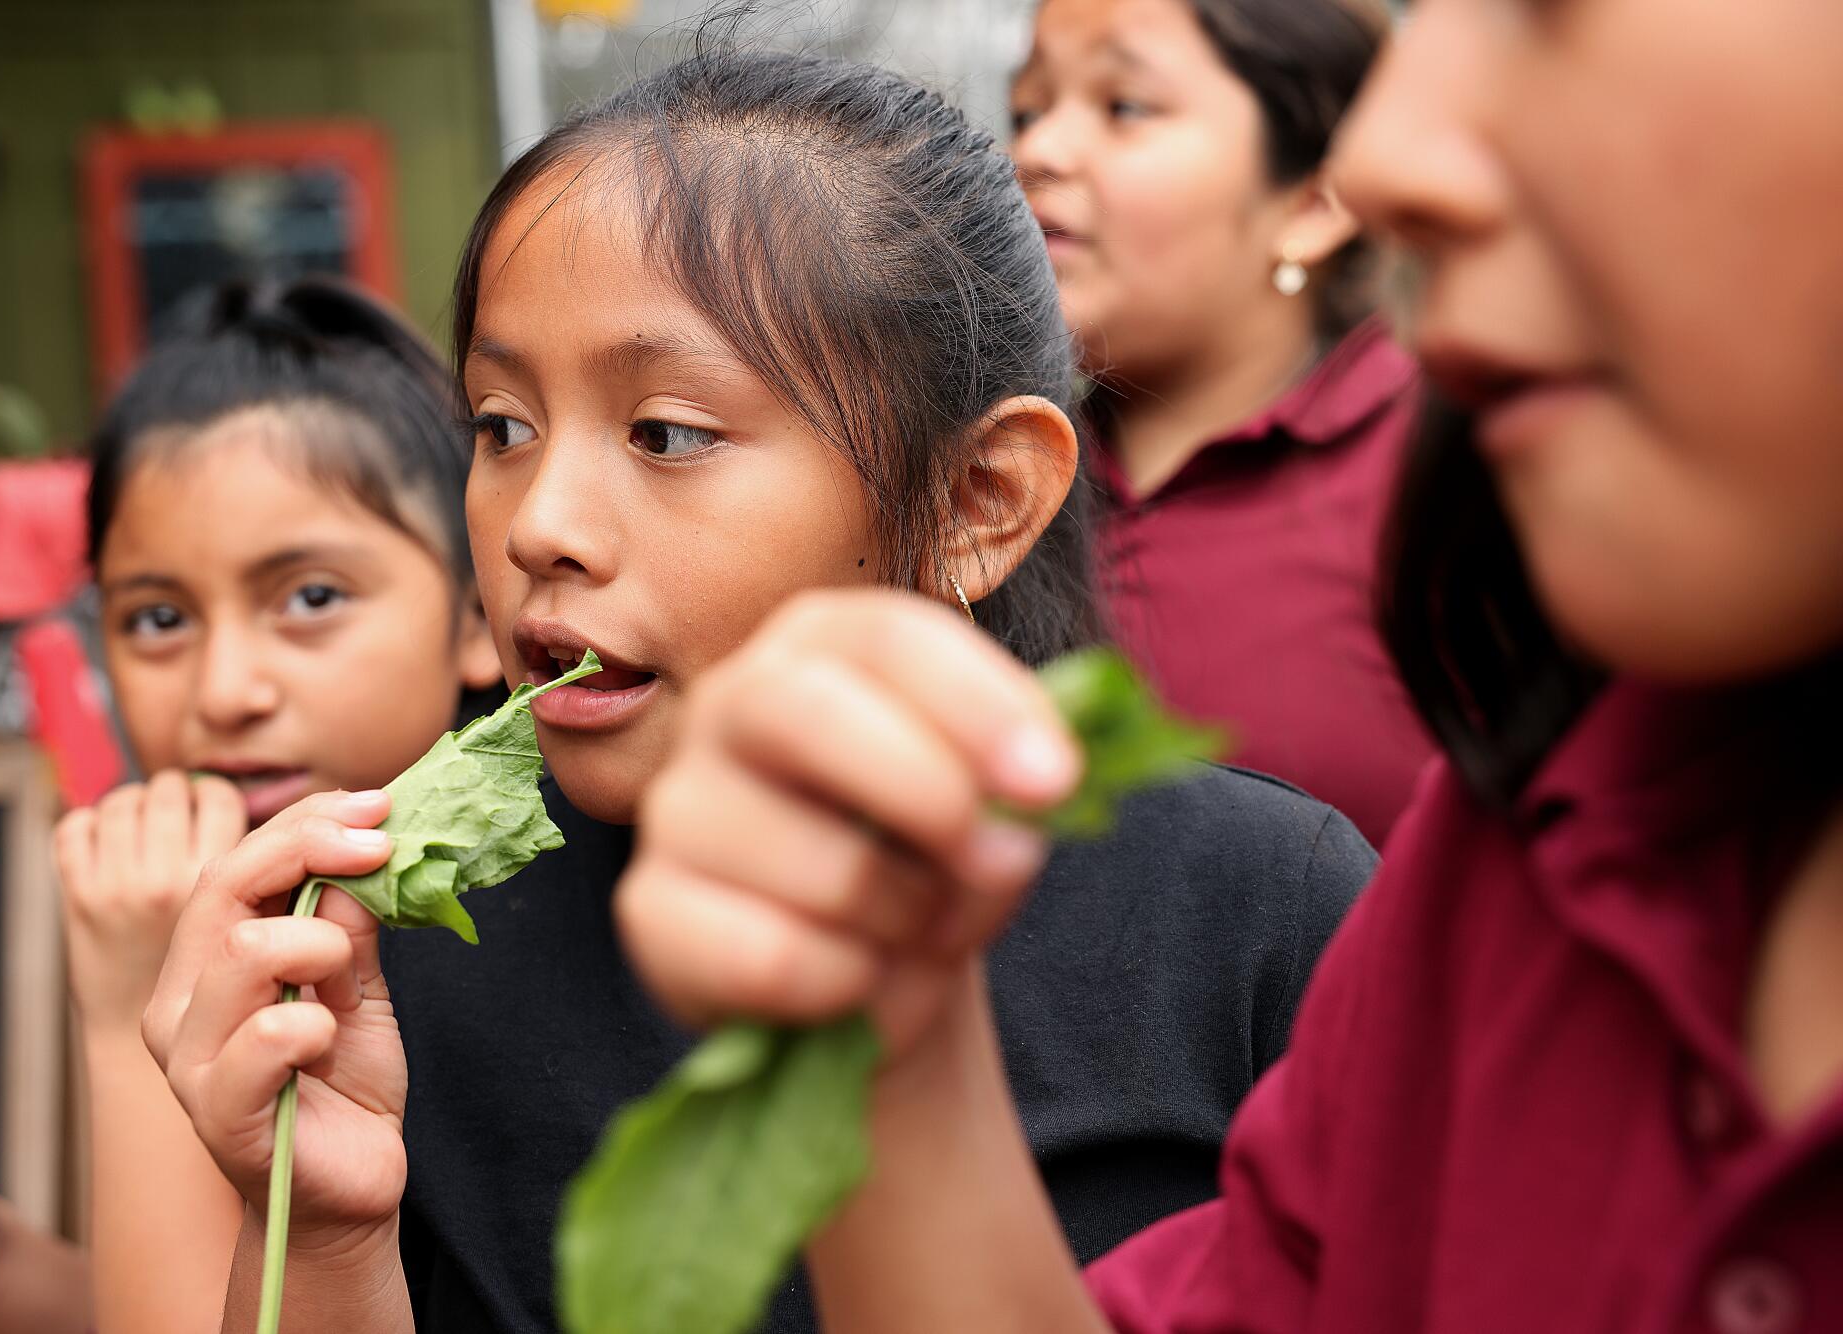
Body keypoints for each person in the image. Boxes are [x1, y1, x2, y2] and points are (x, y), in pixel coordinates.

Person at [608, 0, 1843, 1329]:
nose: (1388, 154)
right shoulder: (1514, 862)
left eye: (1540, 6)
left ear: (993, 499)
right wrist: (893, 1047)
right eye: (1029, 110)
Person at [137, 49, 1377, 1333]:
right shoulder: (404, 960)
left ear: (976, 500)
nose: (537, 524)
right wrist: (332, 1231)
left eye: (665, 431)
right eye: (501, 424)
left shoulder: (1253, 913)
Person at [0, 277, 500, 1334]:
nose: (223, 689)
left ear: (479, 613)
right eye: (156, 617)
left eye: (311, 597)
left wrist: (130, 1009)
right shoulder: (216, 901)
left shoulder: (508, 935)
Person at [1011, 0, 1430, 845]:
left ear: (1315, 201)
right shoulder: (986, 479)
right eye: (1027, 108)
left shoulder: (1448, 476)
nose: (1035, 151)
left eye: (1124, 106)